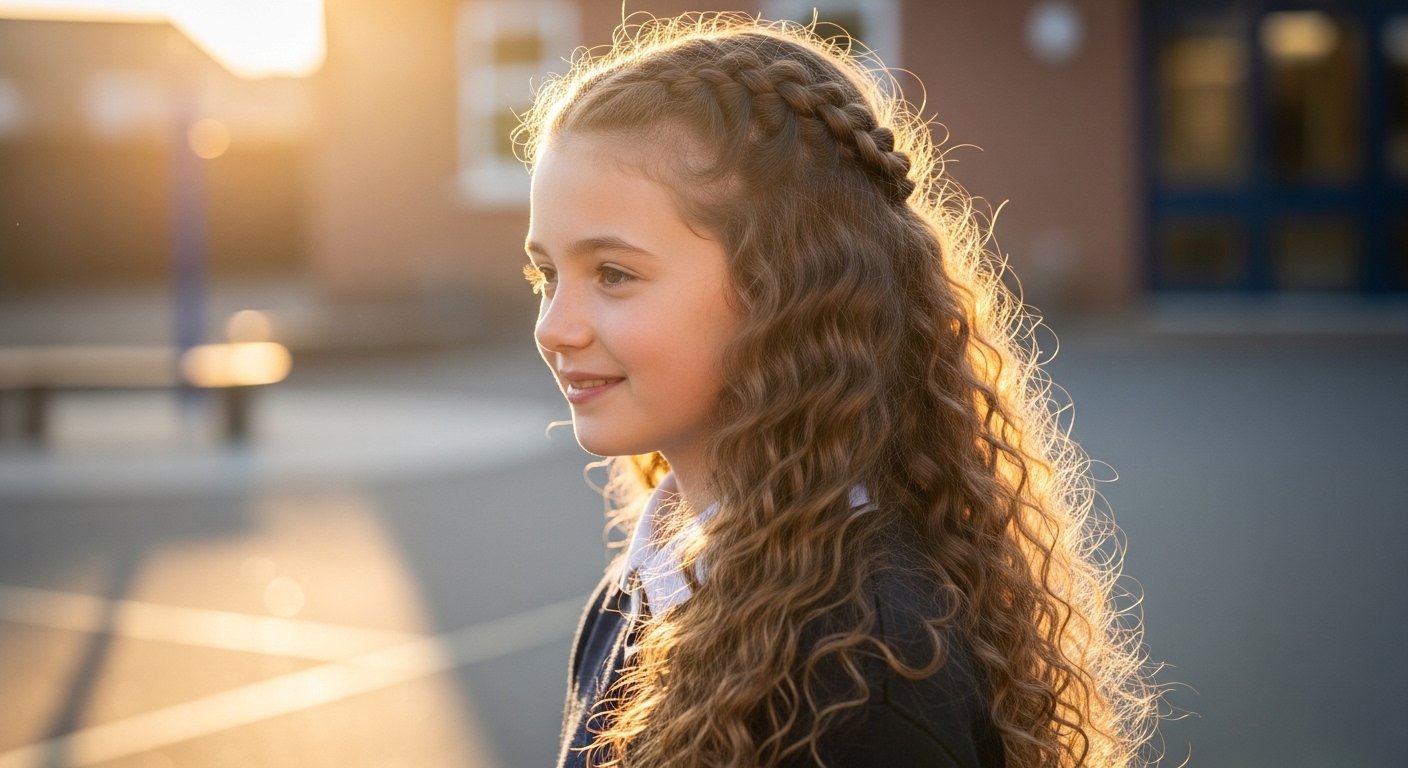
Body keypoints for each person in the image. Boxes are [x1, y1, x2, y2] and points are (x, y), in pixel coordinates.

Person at [516, 13, 1157, 768]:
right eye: (545, 274)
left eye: (613, 274)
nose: (554, 327)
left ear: (782, 288)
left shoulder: (861, 674)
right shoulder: (645, 590)